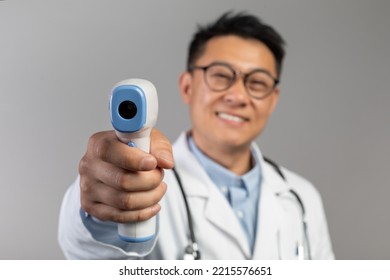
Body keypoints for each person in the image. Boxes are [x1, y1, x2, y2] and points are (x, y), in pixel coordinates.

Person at [58, 11, 334, 260]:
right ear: (187, 87)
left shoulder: (301, 197)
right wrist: (98, 210)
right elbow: (90, 255)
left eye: (257, 82)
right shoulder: (139, 182)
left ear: (273, 100)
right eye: (220, 75)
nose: (237, 96)